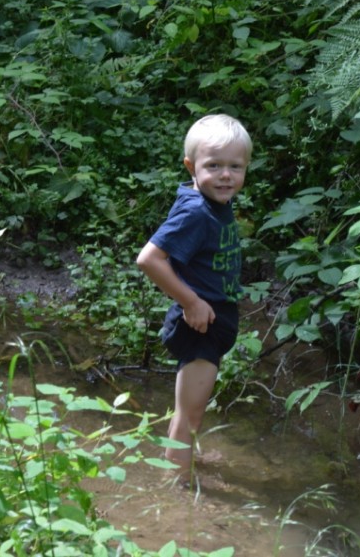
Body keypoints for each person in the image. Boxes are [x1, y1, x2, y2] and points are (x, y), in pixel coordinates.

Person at [136, 113, 252, 483]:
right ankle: (176, 490)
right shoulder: (196, 210)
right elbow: (150, 259)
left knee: (190, 412)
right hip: (200, 323)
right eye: (213, 165)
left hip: (213, 320)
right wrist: (191, 302)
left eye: (235, 167)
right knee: (189, 417)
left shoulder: (215, 202)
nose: (225, 175)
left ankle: (181, 461)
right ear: (191, 166)